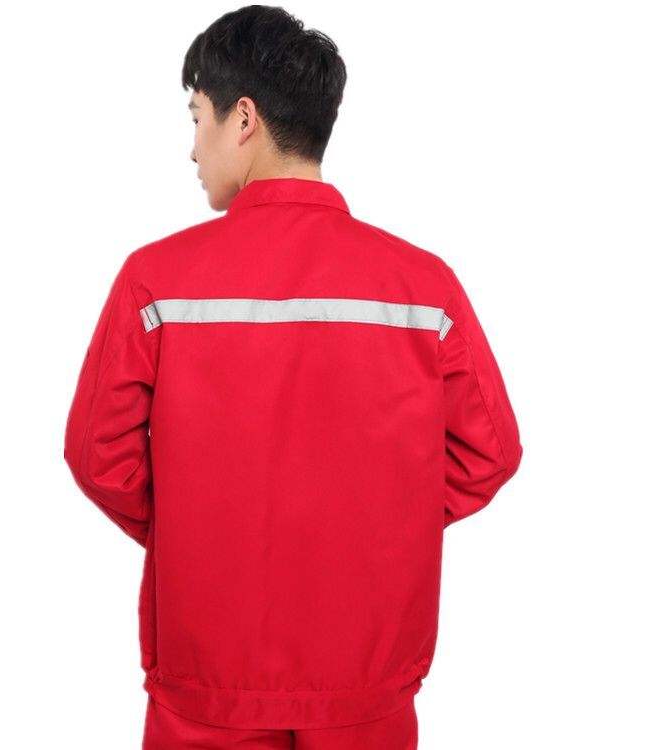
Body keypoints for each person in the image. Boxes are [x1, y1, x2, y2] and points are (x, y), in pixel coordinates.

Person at [63, 5, 523, 749]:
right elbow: (489, 452)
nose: (191, 148)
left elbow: (97, 455)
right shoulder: (423, 287)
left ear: (242, 119)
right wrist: (378, 522)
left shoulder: (156, 282)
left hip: (207, 675)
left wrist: (200, 531)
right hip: (367, 681)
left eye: (197, 118)